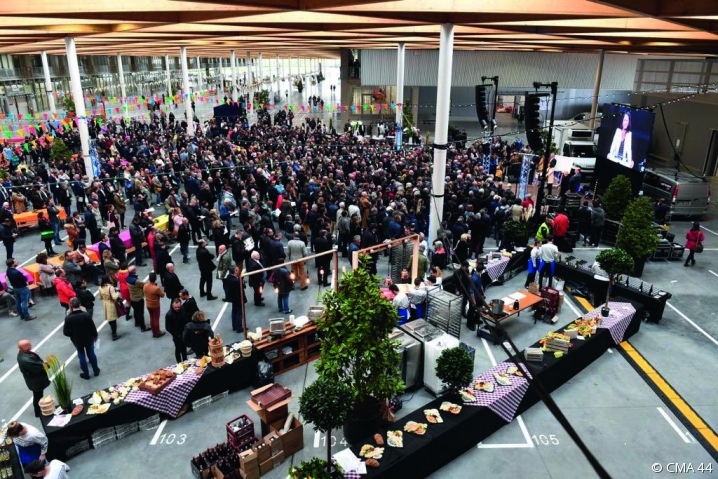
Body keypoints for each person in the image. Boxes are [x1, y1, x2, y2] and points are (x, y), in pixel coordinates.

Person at [63, 297, 100, 380]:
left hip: (77, 340)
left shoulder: (68, 318)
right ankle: (96, 370)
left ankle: (86, 374)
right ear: (79, 305)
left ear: (71, 306)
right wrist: (95, 335)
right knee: (91, 353)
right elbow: (92, 326)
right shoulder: (86, 315)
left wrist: (72, 335)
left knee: (81, 355)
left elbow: (65, 332)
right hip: (88, 338)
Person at [17, 339, 50, 417]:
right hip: (36, 382)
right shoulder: (27, 360)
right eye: (28, 345)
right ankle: (38, 412)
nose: (30, 345)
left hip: (33, 380)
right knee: (38, 396)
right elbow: (40, 369)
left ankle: (38, 410)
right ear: (24, 347)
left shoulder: (23, 353)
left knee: (38, 395)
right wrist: (48, 364)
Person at [126, 266, 149, 332]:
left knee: (135, 311)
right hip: (138, 298)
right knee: (140, 313)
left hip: (132, 298)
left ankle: (137, 322)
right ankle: (143, 327)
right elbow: (144, 285)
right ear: (134, 271)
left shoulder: (127, 278)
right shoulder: (136, 281)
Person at [98, 277, 122, 341]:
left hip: (105, 304)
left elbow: (100, 297)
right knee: (113, 319)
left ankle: (113, 331)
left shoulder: (100, 287)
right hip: (111, 304)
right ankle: (114, 334)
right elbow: (114, 297)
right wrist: (118, 292)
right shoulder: (110, 287)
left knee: (109, 319)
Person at [165, 298, 188, 363]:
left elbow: (185, 320)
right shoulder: (169, 315)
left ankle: (185, 361)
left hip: (183, 333)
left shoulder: (182, 310)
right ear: (172, 305)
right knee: (178, 349)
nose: (177, 308)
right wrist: (176, 334)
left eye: (178, 307)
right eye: (175, 307)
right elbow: (168, 327)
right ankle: (179, 363)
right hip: (176, 335)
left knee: (184, 348)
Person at [143, 272, 166, 338]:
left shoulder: (145, 286)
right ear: (155, 279)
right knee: (156, 319)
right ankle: (157, 332)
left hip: (148, 304)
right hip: (155, 305)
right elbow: (162, 295)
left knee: (151, 317)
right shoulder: (156, 288)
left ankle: (154, 332)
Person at [223, 264, 244, 334]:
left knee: (234, 311)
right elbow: (243, 285)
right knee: (239, 312)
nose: (239, 271)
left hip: (233, 298)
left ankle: (234, 326)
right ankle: (239, 327)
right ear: (235, 271)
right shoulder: (236, 281)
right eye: (237, 270)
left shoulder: (229, 277)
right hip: (238, 298)